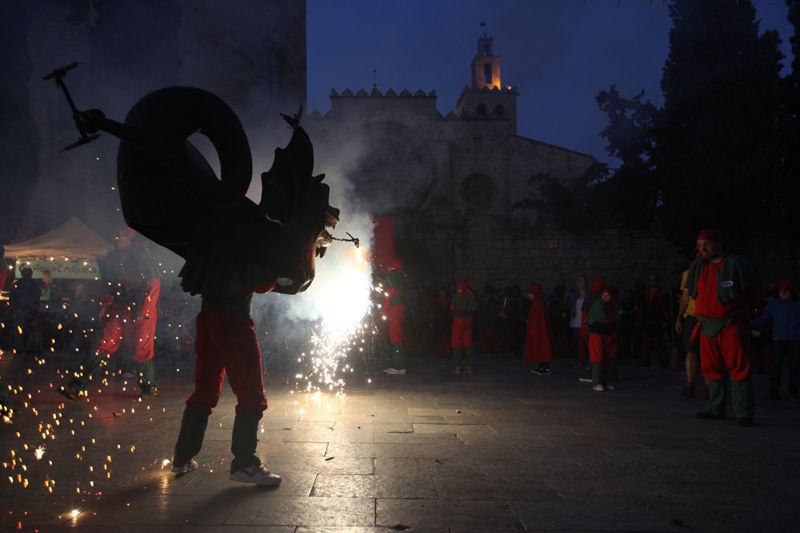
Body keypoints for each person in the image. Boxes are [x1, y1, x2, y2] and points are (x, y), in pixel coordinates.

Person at [60, 228, 160, 398]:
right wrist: (105, 305)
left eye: (119, 236)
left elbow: (153, 285)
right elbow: (110, 286)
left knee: (141, 348)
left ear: (129, 238)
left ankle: (149, 386)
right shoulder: (113, 258)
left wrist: (143, 311)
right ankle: (76, 386)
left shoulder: (142, 258)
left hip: (141, 310)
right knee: (102, 343)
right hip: (120, 308)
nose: (115, 239)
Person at [685, 229, 758, 426]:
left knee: (738, 366)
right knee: (711, 368)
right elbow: (690, 293)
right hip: (707, 325)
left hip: (731, 324)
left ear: (718, 243)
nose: (702, 249)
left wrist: (746, 313)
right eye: (700, 245)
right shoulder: (697, 266)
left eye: (706, 244)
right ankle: (714, 408)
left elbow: (753, 294)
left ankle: (743, 412)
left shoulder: (736, 264)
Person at [750, 280, 800, 400]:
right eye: (781, 291)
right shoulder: (774, 304)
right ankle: (774, 390)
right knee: (776, 366)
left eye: (786, 290)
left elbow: (763, 319)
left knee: (794, 367)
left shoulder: (796, 304)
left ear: (791, 291)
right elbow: (763, 319)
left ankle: (794, 390)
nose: (784, 293)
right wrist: (747, 324)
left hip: (794, 339)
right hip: (780, 339)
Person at [587, 286, 619, 392]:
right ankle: (597, 383)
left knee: (606, 359)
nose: (605, 296)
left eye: (608, 295)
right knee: (598, 358)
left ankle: (604, 382)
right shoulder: (599, 305)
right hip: (597, 335)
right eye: (604, 294)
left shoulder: (609, 305)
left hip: (605, 335)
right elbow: (603, 319)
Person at [676, 267, 701, 398]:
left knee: (708, 352)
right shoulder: (689, 273)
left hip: (709, 316)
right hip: (692, 316)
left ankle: (708, 387)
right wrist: (679, 317)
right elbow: (685, 297)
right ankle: (690, 384)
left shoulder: (718, 270)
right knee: (691, 350)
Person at [382, 258, 407, 375]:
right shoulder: (400, 276)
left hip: (393, 308)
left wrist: (384, 310)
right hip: (399, 308)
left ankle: (399, 366)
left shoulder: (392, 276)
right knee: (397, 335)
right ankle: (398, 365)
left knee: (395, 336)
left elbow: (389, 293)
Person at [639, 274, 670, 367]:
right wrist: (641, 319)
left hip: (658, 320)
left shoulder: (662, 293)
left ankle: (664, 360)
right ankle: (644, 359)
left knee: (660, 341)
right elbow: (642, 307)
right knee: (645, 341)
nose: (652, 282)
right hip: (647, 320)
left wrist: (665, 320)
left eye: (654, 280)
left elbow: (665, 308)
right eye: (651, 280)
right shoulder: (645, 293)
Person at [524, 283, 554, 375]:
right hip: (538, 330)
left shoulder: (538, 303)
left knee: (541, 346)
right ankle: (541, 366)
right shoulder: (537, 303)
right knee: (539, 347)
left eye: (531, 293)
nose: (529, 295)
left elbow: (539, 319)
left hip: (539, 331)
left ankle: (544, 367)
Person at [450, 278, 478, 374]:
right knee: (468, 342)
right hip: (469, 319)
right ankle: (469, 366)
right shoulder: (470, 296)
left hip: (458, 319)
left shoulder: (456, 297)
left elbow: (452, 308)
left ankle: (456, 366)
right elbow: (475, 307)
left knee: (456, 342)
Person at [567, 276, 588, 365]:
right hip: (575, 322)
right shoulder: (574, 296)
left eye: (582, 280)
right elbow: (568, 305)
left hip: (584, 322)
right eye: (578, 280)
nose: (579, 282)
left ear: (586, 283)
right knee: (580, 343)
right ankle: (581, 362)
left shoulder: (589, 296)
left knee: (586, 343)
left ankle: (589, 362)